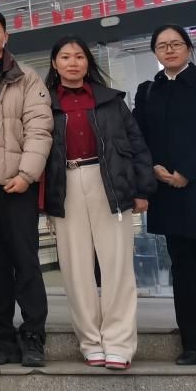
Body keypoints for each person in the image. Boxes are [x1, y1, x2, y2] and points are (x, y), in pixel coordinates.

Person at [43, 36, 156, 371]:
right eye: (65, 57)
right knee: (76, 269)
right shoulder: (44, 102)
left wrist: (142, 189)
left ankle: (119, 343)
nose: (73, 62)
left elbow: (136, 143)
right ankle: (91, 342)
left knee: (117, 265)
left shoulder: (110, 100)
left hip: (109, 183)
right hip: (65, 184)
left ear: (88, 62)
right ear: (55, 64)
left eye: (79, 56)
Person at [133, 24, 196, 368]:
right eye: (162, 45)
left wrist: (186, 172)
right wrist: (153, 168)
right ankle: (192, 344)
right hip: (165, 189)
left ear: (189, 48)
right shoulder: (148, 90)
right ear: (155, 52)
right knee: (182, 268)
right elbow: (138, 135)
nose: (169, 50)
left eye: (176, 44)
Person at [0, 9, 53, 368]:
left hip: (16, 184)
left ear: (6, 36)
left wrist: (27, 174)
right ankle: (0, 337)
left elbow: (40, 128)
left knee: (25, 261)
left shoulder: (26, 77)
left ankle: (33, 336)